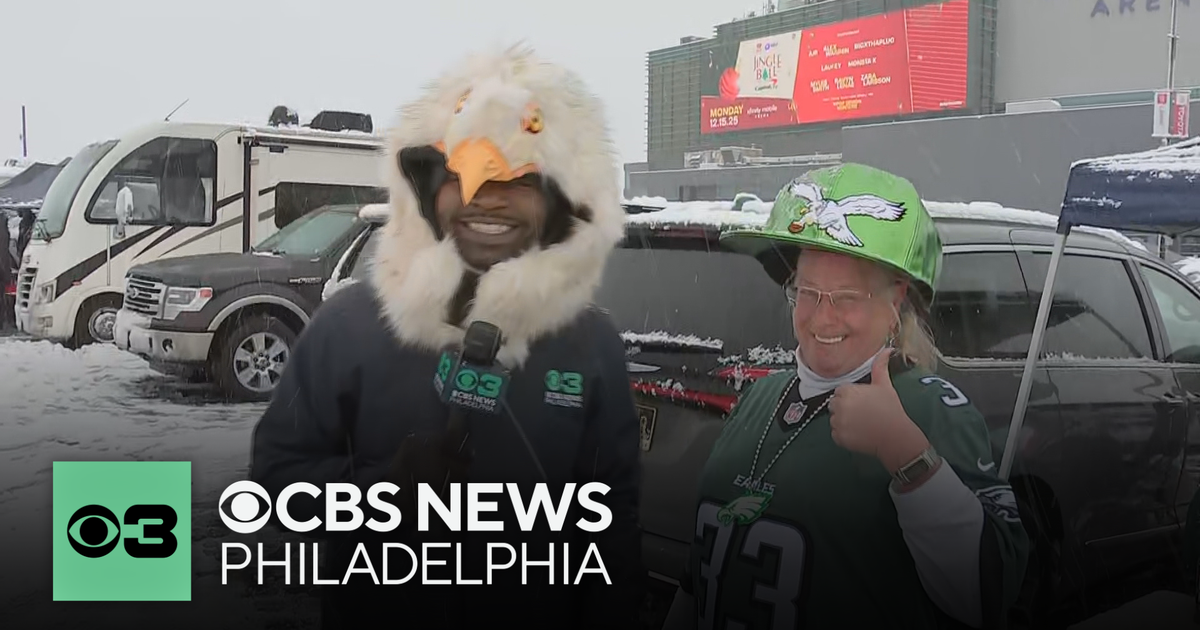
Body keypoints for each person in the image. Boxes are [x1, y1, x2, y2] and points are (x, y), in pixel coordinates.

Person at [249, 45, 642, 629]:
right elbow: (276, 484)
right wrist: (379, 494)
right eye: (464, 172)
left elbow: (611, 536)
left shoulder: (593, 347)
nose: (487, 197)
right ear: (430, 189)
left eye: (519, 178)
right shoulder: (349, 327)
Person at [662, 163, 1030, 630]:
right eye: (808, 291)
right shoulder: (762, 397)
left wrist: (905, 454)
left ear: (895, 302)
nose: (821, 317)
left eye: (847, 296)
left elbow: (986, 593)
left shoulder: (929, 410)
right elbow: (700, 575)